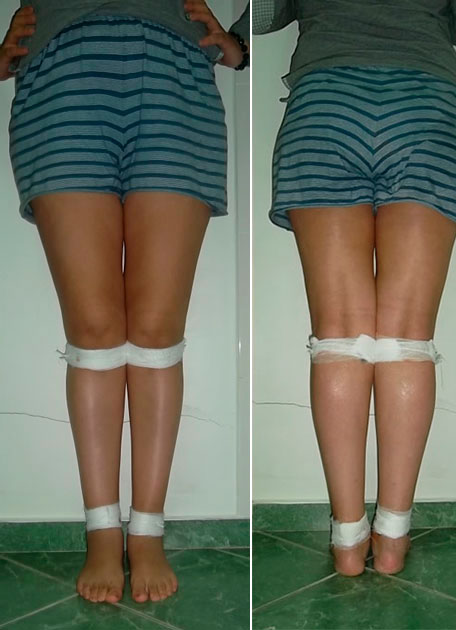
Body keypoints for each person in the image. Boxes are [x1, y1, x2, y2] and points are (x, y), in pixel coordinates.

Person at [1, 0, 249, 605]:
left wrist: (242, 39)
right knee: (92, 330)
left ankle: (147, 528)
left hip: (176, 76)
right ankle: (102, 529)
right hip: (61, 73)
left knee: (158, 331)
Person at [253, 0, 456, 577]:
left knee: (339, 338)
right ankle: (393, 539)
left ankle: (348, 542)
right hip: (426, 105)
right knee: (406, 341)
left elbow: (260, 15)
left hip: (326, 104)